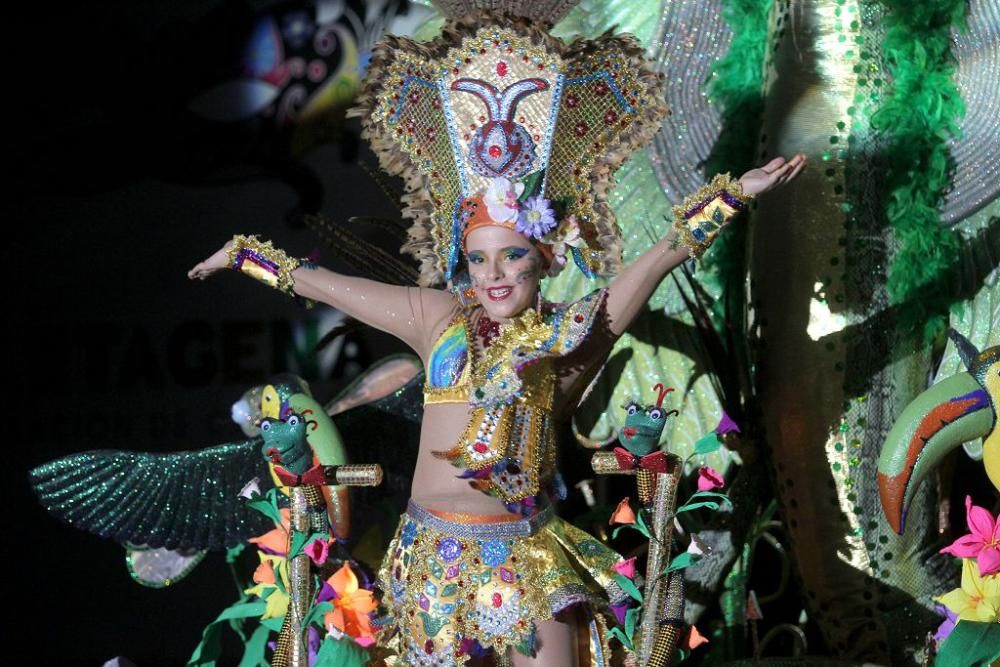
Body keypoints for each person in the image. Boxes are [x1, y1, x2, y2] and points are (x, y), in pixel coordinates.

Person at [189, 14, 805, 666]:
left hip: (526, 555)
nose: (494, 275)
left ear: (543, 257)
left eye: (512, 256)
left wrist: (737, 194)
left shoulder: (567, 331)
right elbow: (330, 286)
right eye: (479, 259)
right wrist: (248, 258)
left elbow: (660, 258)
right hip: (431, 562)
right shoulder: (437, 318)